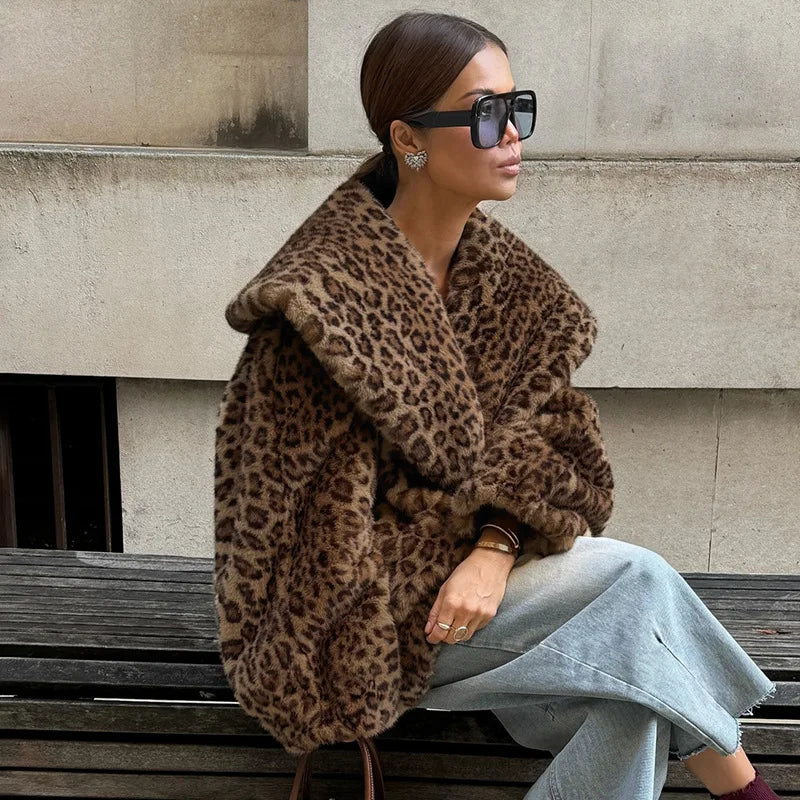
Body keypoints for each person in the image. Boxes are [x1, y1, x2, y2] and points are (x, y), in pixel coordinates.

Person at [353, 11, 779, 800]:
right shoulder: (334, 296)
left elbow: (567, 453)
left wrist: (496, 543)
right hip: (375, 621)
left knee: (637, 701)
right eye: (486, 115)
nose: (513, 134)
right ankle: (753, 796)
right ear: (409, 136)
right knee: (637, 580)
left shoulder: (507, 288)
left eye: (518, 108)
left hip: (489, 600)